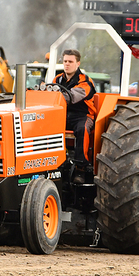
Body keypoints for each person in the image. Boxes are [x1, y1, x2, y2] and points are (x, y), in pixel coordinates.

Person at [52, 49, 96, 184]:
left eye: (70, 62)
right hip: (63, 114)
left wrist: (56, 95)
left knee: (82, 129)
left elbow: (73, 96)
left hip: (83, 115)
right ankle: (53, 163)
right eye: (65, 61)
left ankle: (80, 168)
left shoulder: (86, 82)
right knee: (46, 126)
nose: (67, 64)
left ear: (78, 63)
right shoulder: (57, 79)